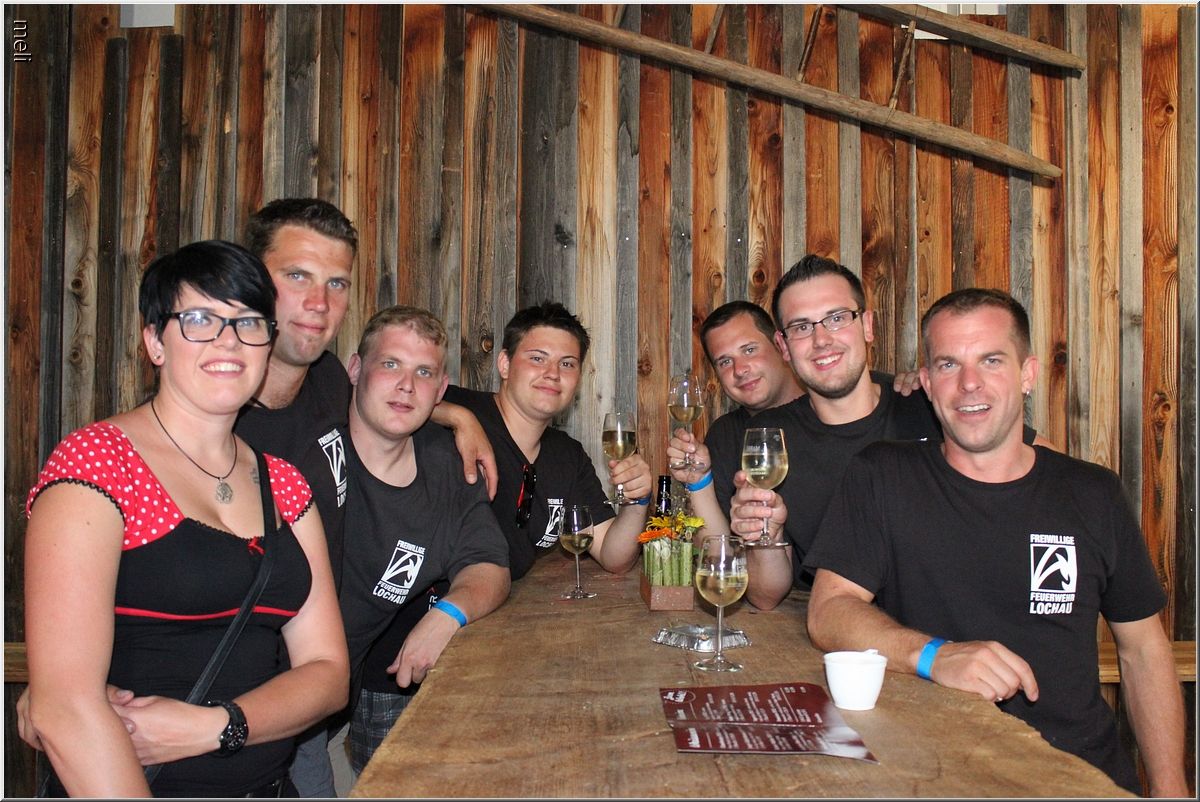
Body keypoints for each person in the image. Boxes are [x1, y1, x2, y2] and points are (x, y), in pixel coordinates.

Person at [802, 288, 1187, 797]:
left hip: (1079, 776)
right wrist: (935, 656)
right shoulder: (882, 475)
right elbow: (828, 611)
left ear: (1028, 374)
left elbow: (1143, 650)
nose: (969, 383)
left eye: (990, 360)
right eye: (948, 364)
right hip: (931, 776)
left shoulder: (1093, 493)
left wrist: (1171, 788)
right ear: (927, 383)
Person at [20, 240, 350, 797]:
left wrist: (218, 726)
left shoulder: (284, 483)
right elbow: (64, 708)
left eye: (248, 322)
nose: (228, 341)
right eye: (199, 320)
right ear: (155, 340)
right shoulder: (100, 462)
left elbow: (327, 671)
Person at [236, 198, 499, 796]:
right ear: (251, 282)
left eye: (336, 283)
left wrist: (455, 414)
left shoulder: (325, 381)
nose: (318, 302)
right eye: (296, 276)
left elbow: (389, 396)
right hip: (233, 714)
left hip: (312, 707)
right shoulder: (216, 424)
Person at [727, 254, 1046, 609]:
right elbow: (766, 596)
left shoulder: (929, 406)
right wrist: (765, 534)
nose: (821, 340)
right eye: (801, 327)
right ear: (783, 346)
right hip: (834, 626)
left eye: (836, 318)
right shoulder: (771, 438)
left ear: (867, 325)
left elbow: (1051, 467)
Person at [335, 305, 511, 775]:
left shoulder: (444, 463)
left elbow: (489, 564)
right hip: (249, 685)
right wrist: (458, 416)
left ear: (441, 388)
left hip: (330, 697)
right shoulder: (316, 441)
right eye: (391, 364)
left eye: (424, 372)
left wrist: (447, 615)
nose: (406, 385)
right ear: (355, 370)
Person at [665, 301, 804, 536]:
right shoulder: (724, 434)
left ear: (780, 346)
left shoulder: (827, 413)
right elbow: (715, 547)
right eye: (725, 362)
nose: (739, 370)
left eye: (749, 350)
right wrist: (699, 482)